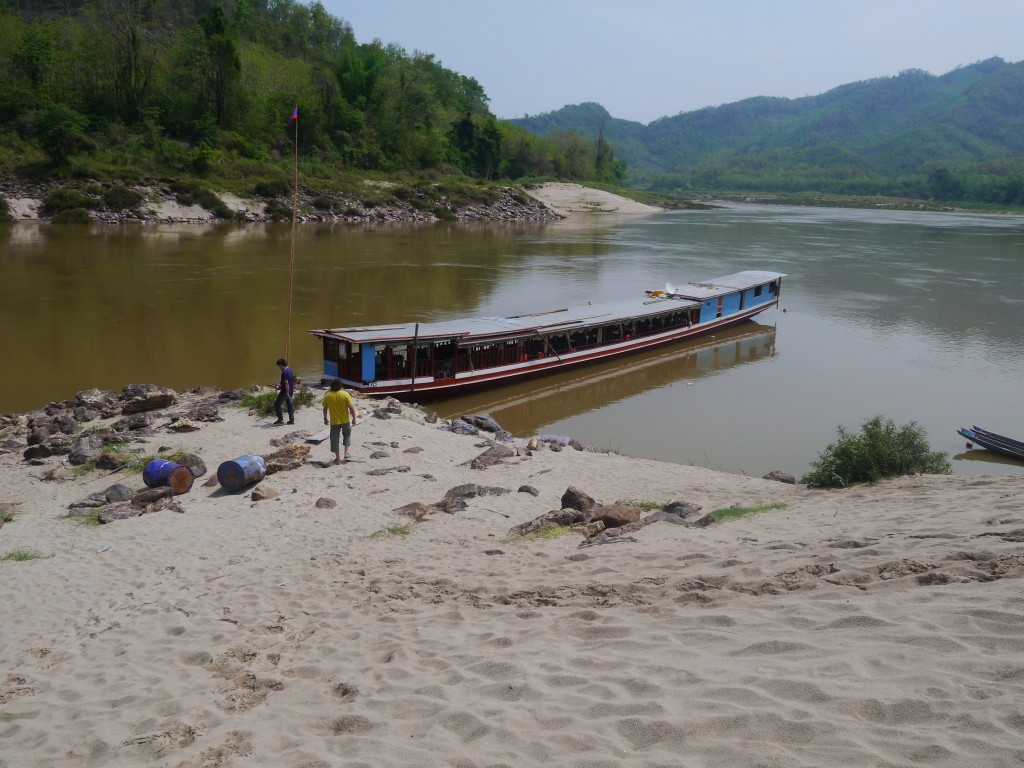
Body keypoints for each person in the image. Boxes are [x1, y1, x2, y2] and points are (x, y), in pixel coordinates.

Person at [322, 378, 357, 464]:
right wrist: (354, 418)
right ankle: (346, 453)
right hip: (345, 420)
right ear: (341, 386)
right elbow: (351, 408)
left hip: (334, 421)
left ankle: (337, 458)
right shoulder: (345, 394)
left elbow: (325, 409)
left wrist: (325, 418)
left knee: (334, 439)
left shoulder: (328, 396)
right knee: (347, 435)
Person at [274, 358, 295, 425]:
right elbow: (289, 381)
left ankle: (280, 419)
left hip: (285, 392)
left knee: (277, 404)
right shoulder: (290, 370)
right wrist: (280, 386)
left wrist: (287, 393)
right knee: (290, 405)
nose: (279, 367)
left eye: (278, 366)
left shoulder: (284, 372)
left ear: (280, 365)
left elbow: (286, 383)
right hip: (291, 391)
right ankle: (291, 420)